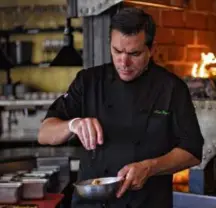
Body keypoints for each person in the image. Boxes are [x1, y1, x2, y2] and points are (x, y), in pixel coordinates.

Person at [38, 7, 204, 208]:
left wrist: (150, 167)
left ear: (152, 49)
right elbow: (44, 133)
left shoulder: (171, 88)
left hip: (147, 203)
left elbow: (192, 151)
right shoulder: (89, 81)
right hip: (90, 204)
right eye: (117, 51)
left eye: (134, 53)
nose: (123, 62)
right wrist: (73, 124)